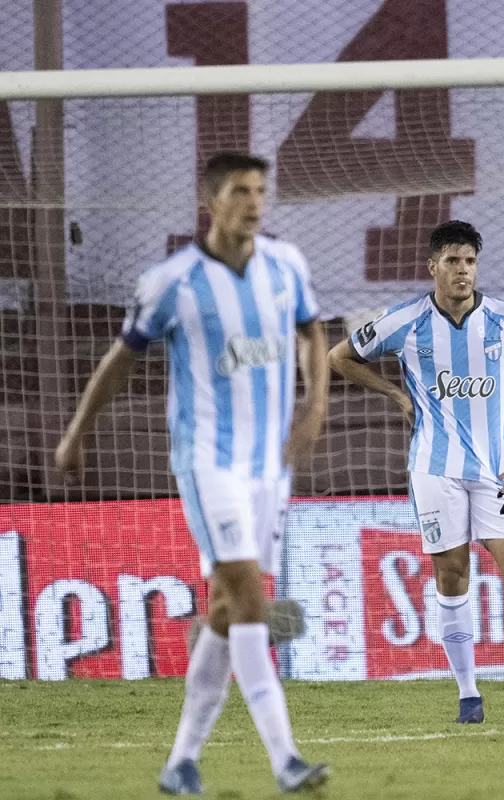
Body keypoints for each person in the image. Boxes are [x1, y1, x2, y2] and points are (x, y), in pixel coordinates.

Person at [55, 152, 330, 794]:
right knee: (252, 599)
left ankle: (181, 763)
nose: (255, 202)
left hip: (271, 467)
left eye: (262, 190)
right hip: (210, 465)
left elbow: (313, 333)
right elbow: (121, 361)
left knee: (230, 610)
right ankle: (286, 760)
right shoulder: (172, 282)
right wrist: (76, 433)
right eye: (241, 190)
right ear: (210, 199)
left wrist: (315, 405)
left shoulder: (286, 266)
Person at [328, 220, 504, 725]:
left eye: (470, 261)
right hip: (434, 470)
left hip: (497, 471)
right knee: (452, 575)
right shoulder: (406, 321)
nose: (463, 271)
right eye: (453, 261)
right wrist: (395, 393)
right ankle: (468, 698)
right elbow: (340, 357)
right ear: (433, 267)